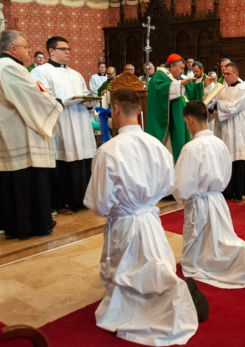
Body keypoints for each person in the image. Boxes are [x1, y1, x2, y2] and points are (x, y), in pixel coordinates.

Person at [84, 88, 208, 346]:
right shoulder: (158, 146)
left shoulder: (107, 151)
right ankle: (173, 291)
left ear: (115, 110)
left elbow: (99, 203)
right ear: (139, 111)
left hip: (125, 222)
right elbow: (167, 186)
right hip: (151, 220)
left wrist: (116, 209)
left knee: (127, 270)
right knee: (153, 263)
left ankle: (156, 299)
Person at [173, 101, 245, 288]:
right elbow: (226, 173)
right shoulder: (219, 143)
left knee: (197, 255)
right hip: (217, 198)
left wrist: (179, 194)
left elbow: (183, 184)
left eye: (186, 121)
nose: (186, 125)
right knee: (218, 238)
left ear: (190, 120)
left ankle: (242, 254)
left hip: (199, 202)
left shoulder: (191, 148)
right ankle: (242, 251)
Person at [0, 30, 62, 240]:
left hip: (12, 131)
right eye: (25, 47)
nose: (28, 50)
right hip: (19, 132)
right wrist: (56, 104)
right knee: (27, 178)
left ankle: (19, 225)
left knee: (16, 180)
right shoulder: (9, 67)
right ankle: (32, 224)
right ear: (13, 49)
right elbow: (31, 96)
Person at [31, 36, 97, 215]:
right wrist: (63, 101)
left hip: (80, 121)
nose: (68, 52)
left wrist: (90, 101)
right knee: (63, 161)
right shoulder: (40, 72)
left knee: (82, 161)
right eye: (64, 49)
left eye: (69, 49)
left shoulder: (75, 74)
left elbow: (84, 93)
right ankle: (61, 202)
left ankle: (82, 200)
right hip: (61, 123)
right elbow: (41, 98)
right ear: (51, 51)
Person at [145, 54, 215, 162]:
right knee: (172, 152)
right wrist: (179, 84)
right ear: (172, 66)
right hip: (169, 122)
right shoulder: (159, 76)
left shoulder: (176, 77)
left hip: (180, 118)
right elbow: (159, 91)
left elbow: (191, 89)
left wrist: (203, 84)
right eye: (181, 68)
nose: (183, 72)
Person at [210, 62, 245, 202]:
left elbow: (232, 107)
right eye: (224, 73)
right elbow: (215, 106)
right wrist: (210, 106)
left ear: (236, 74)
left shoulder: (243, 89)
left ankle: (238, 192)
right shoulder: (222, 88)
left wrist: (216, 104)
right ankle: (226, 191)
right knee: (224, 159)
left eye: (228, 73)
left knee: (237, 159)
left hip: (237, 129)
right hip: (223, 128)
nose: (225, 76)